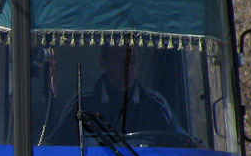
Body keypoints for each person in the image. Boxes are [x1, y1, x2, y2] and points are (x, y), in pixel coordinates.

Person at [50, 43, 183, 143]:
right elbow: (52, 148)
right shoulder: (81, 103)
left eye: (133, 58)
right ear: (103, 62)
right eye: (119, 59)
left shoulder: (155, 104)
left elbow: (184, 145)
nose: (128, 65)